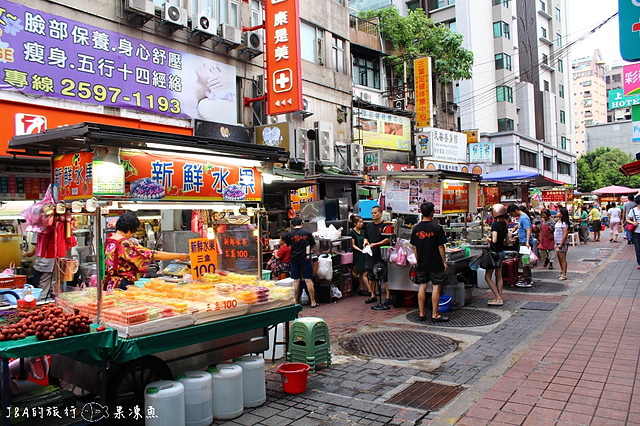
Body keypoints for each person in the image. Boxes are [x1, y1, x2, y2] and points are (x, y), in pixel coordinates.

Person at [104, 212, 189, 291]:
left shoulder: (109, 241)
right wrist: (179, 256)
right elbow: (152, 255)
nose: (132, 235)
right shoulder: (126, 244)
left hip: (109, 284)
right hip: (121, 285)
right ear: (130, 229)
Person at [410, 202, 449, 322]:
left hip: (422, 262)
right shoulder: (436, 228)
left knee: (422, 286)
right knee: (436, 287)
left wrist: (417, 260)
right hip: (435, 262)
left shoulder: (416, 228)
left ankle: (421, 313)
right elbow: (441, 247)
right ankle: (435, 314)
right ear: (432, 213)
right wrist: (444, 261)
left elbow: (414, 247)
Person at [284, 217, 318, 308]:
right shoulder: (307, 232)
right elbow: (313, 244)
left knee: (296, 280)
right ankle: (313, 302)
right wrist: (308, 250)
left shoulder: (289, 234)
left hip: (294, 258)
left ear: (292, 224)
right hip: (306, 257)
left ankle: (296, 302)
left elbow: (288, 245)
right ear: (301, 223)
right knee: (308, 280)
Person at [364, 205, 391, 305]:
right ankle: (373, 295)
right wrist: (365, 242)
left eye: (375, 213)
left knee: (385, 275)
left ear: (381, 213)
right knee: (371, 274)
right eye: (372, 213)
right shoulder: (369, 226)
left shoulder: (385, 226)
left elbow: (388, 239)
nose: (373, 215)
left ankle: (388, 296)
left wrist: (376, 244)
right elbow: (365, 237)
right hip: (371, 253)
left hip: (382, 252)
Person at [484, 204, 508, 306]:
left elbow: (494, 240)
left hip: (494, 254)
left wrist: (488, 239)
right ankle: (499, 297)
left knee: (487, 277)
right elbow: (507, 241)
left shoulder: (495, 225)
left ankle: (498, 297)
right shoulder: (504, 225)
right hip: (501, 252)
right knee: (499, 275)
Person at [507, 204, 533, 287]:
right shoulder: (521, 218)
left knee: (525, 262)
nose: (512, 216)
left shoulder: (524, 218)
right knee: (524, 261)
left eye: (512, 214)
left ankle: (528, 280)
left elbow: (528, 230)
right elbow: (520, 227)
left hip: (525, 242)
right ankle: (526, 278)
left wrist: (527, 242)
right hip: (522, 241)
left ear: (515, 210)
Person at [350, 214, 374, 302]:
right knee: (364, 272)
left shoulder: (363, 232)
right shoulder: (352, 232)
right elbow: (353, 245)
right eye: (360, 222)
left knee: (361, 273)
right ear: (355, 223)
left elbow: (365, 240)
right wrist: (360, 250)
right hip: (358, 254)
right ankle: (370, 290)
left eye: (362, 222)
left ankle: (361, 288)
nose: (361, 224)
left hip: (364, 253)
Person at [23, 233, 55, 300]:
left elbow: (37, 247)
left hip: (43, 264)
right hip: (53, 263)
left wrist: (26, 254)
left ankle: (41, 301)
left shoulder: (38, 230)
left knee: (40, 288)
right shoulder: (56, 227)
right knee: (47, 288)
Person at [554, 207, 570, 281]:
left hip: (562, 243)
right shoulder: (558, 222)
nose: (557, 213)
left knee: (563, 258)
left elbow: (565, 234)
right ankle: (562, 271)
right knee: (559, 258)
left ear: (562, 214)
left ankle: (564, 274)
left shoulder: (564, 223)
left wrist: (561, 243)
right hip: (557, 242)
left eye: (558, 212)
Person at [626, 195, 640, 269]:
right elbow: (628, 219)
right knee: (638, 248)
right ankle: (639, 263)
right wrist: (633, 223)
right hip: (636, 232)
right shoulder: (633, 210)